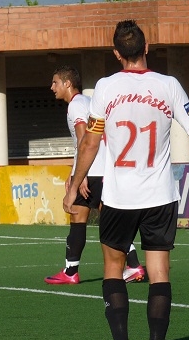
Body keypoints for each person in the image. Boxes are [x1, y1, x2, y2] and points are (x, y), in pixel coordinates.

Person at [63, 20, 189, 340]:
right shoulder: (168, 85)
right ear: (147, 49)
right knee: (159, 273)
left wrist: (74, 184)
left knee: (114, 268)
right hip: (160, 196)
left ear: (116, 54)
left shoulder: (106, 88)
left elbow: (91, 141)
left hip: (119, 197)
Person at [45, 66, 145, 285]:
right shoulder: (89, 103)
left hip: (93, 171)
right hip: (102, 171)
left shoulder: (76, 106)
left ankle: (73, 272)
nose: (52, 87)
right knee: (99, 220)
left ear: (67, 84)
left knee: (80, 218)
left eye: (55, 83)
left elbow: (84, 140)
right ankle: (132, 266)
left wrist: (80, 176)